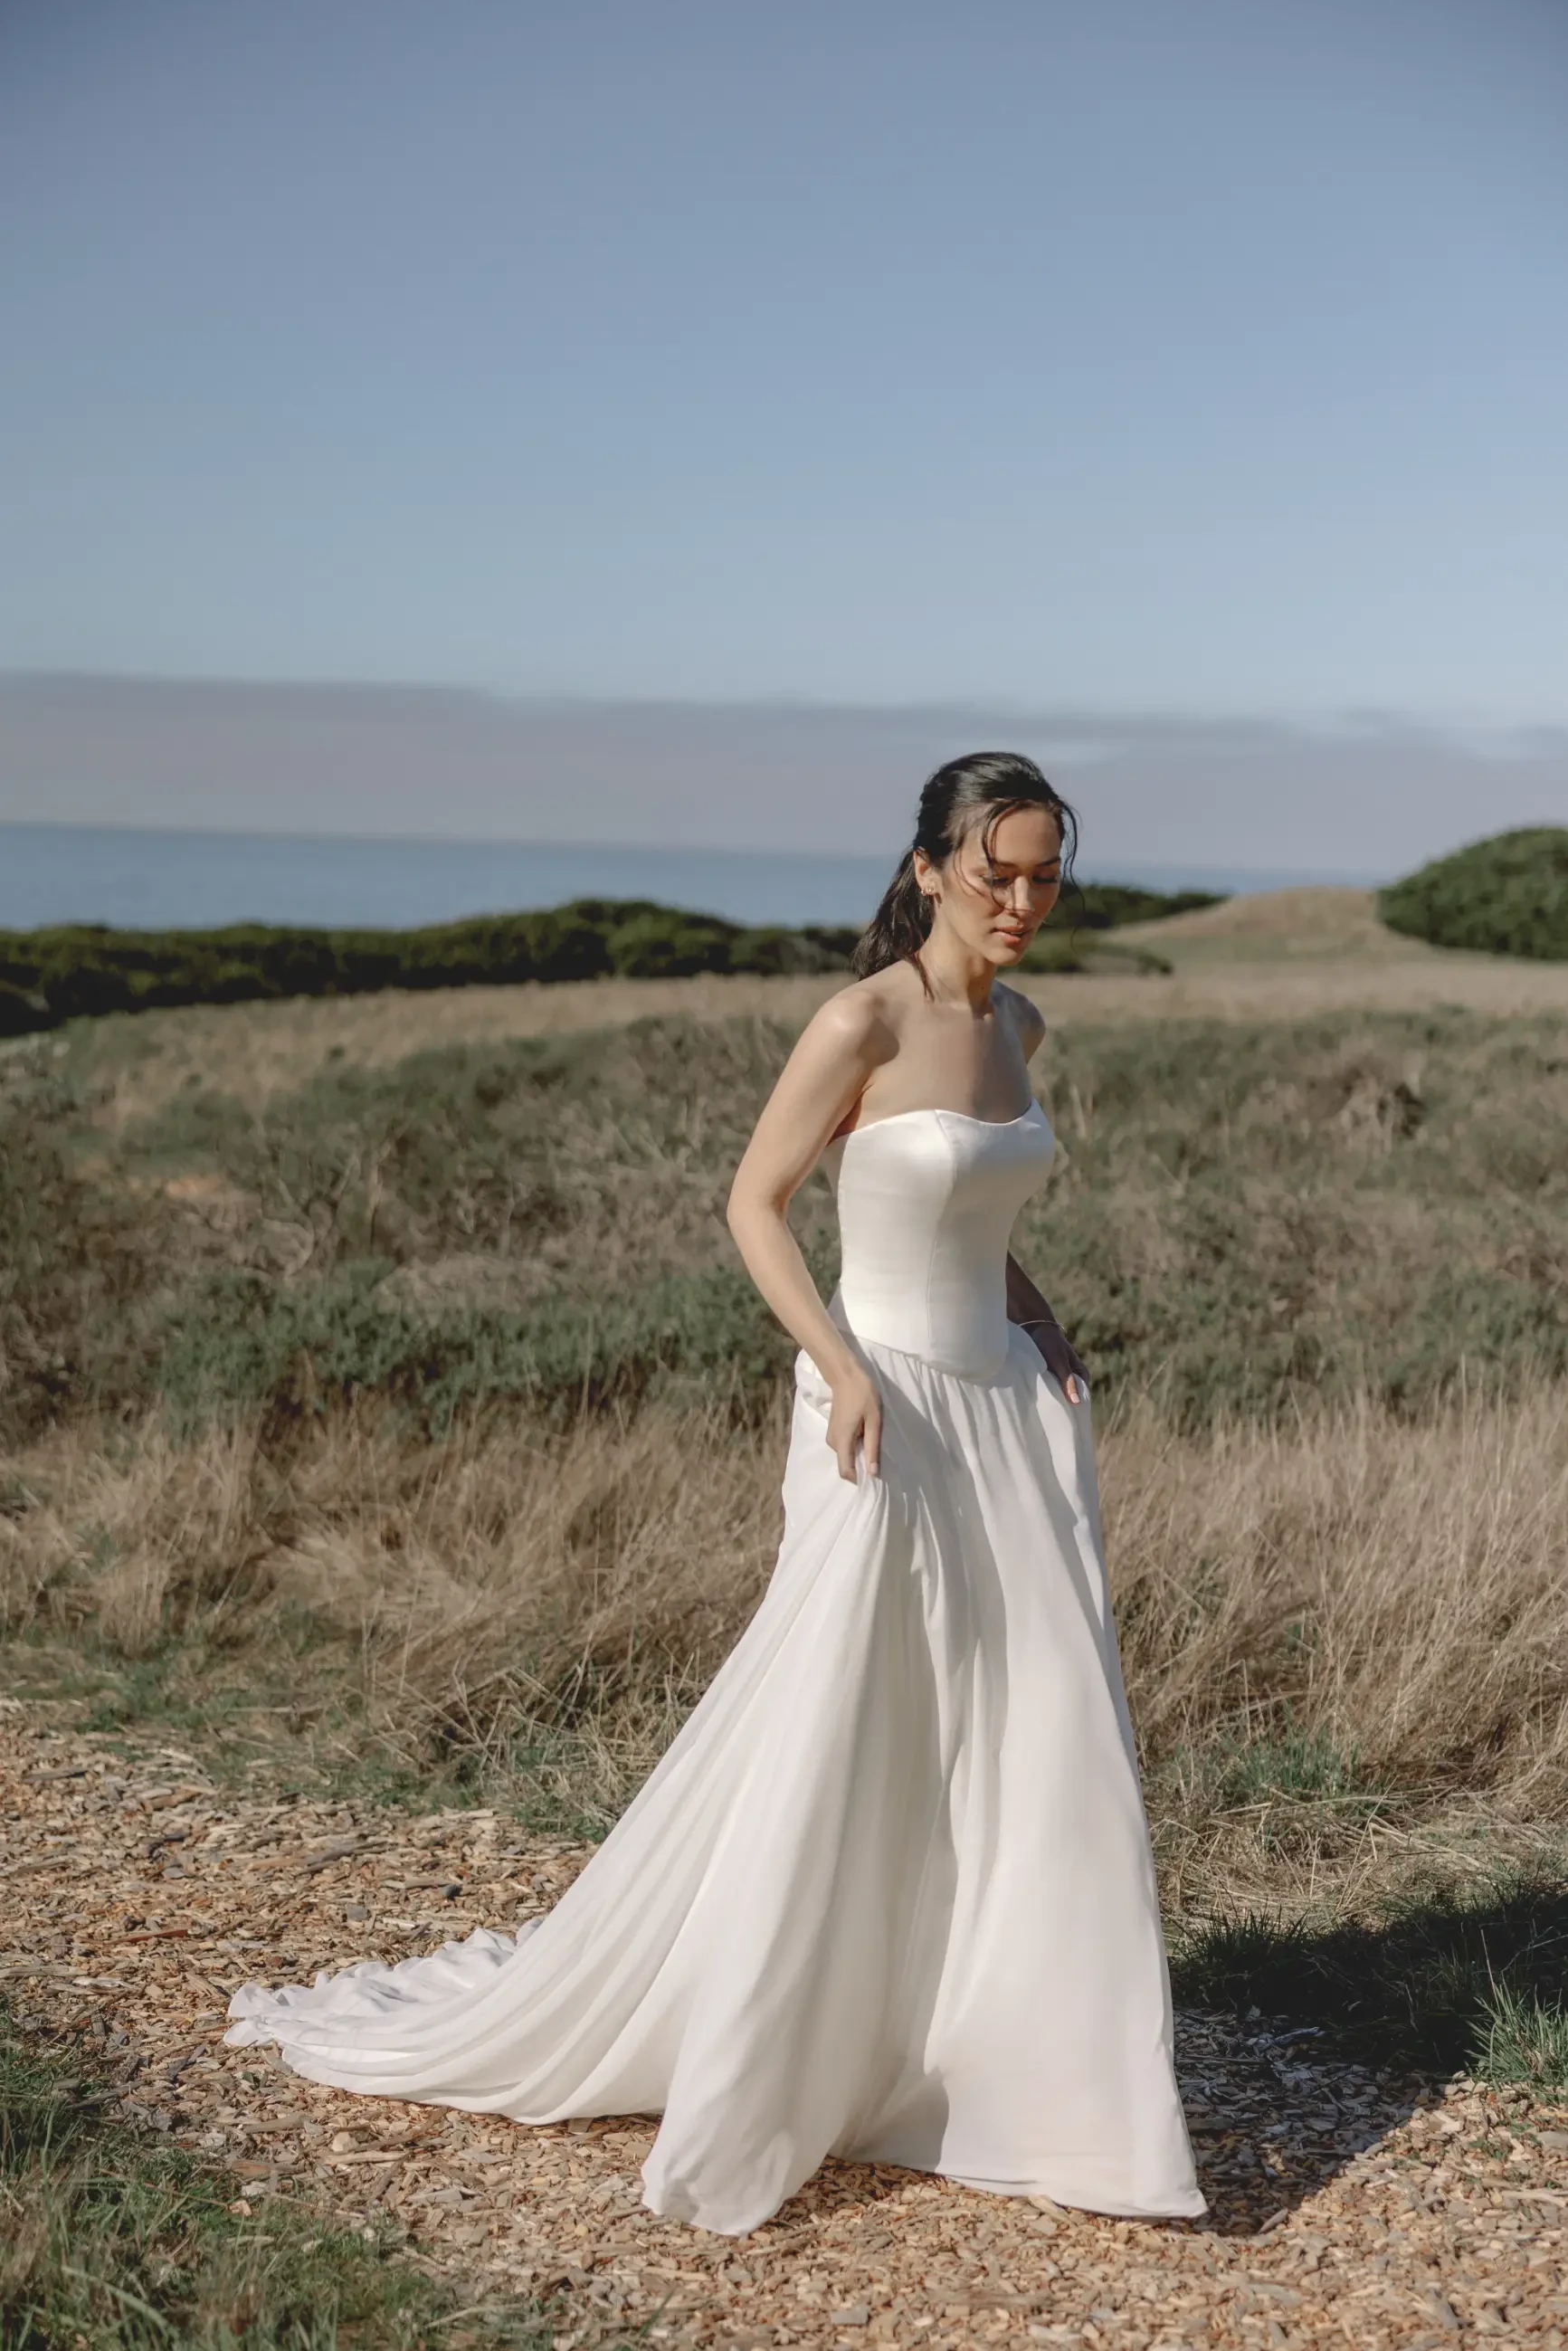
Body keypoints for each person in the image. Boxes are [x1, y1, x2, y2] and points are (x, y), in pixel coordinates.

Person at [225, 751, 1205, 2236]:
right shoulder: (854, 1020)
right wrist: (846, 1366)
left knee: (1025, 1721)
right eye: (994, 870)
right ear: (930, 865)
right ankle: (772, 2038)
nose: (1021, 900)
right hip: (872, 1403)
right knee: (836, 1706)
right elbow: (755, 1204)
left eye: (1043, 873)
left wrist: (1044, 1321)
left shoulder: (1024, 1021)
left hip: (1001, 1406)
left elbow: (970, 1213)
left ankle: (996, 2052)